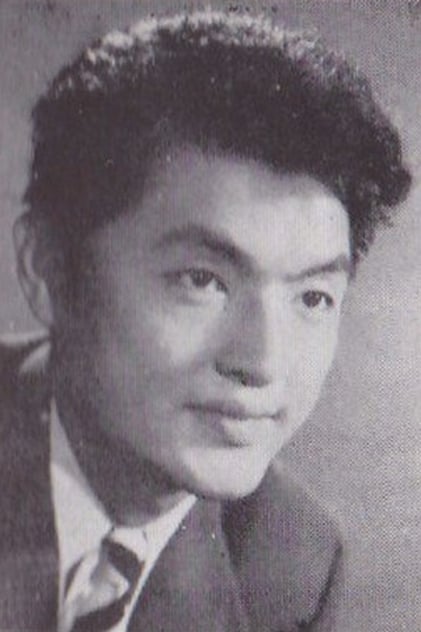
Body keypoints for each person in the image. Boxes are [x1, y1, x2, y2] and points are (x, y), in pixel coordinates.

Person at [0, 10, 410, 632]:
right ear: (46, 268)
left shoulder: (288, 564)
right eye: (202, 281)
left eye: (312, 298)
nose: (262, 363)